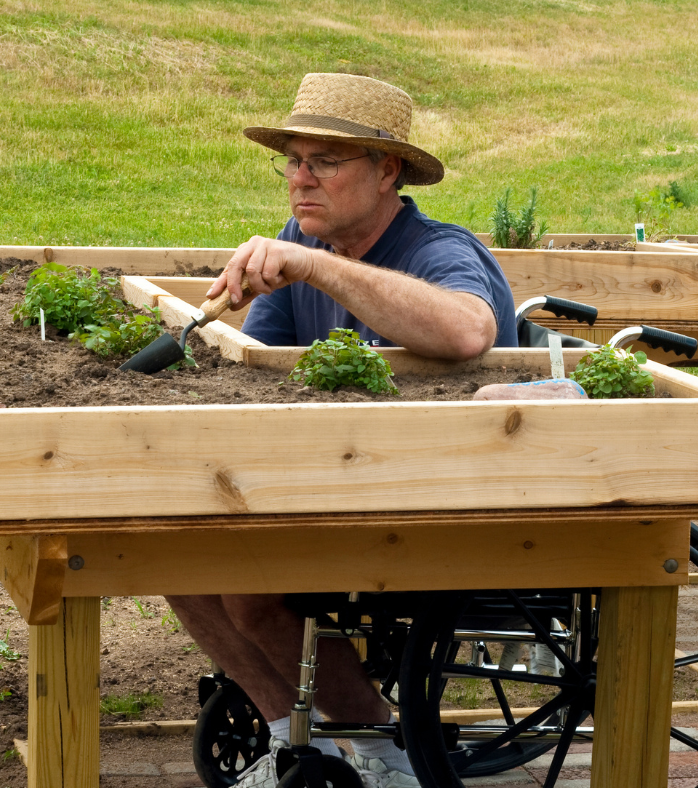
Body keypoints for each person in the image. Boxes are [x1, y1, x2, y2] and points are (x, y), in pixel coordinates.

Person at [165, 72, 518, 788]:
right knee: (170, 555)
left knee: (249, 590)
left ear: (387, 170)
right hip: (337, 481)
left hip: (445, 497)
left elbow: (466, 328)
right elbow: (258, 374)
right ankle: (292, 739)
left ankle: (387, 752)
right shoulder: (308, 241)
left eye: (323, 162)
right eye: (293, 161)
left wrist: (315, 267)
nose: (300, 179)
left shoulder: (437, 251)